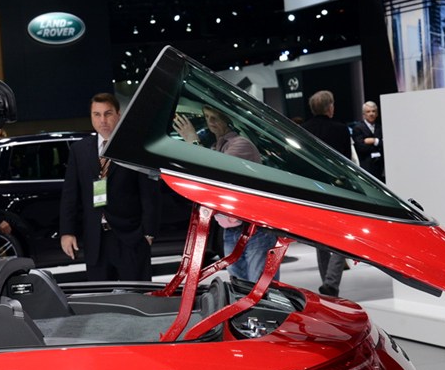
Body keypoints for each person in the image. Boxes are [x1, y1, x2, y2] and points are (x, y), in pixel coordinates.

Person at [59, 93, 161, 281]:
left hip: (131, 237)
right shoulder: (79, 150)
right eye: (97, 114)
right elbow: (70, 195)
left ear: (118, 115)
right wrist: (67, 232)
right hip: (95, 239)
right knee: (101, 295)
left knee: (137, 295)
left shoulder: (135, 148)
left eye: (108, 114)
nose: (102, 120)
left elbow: (149, 192)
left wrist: (149, 231)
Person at [172, 105, 279, 282]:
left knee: (260, 288)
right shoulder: (217, 148)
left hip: (254, 229)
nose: (211, 122)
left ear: (227, 119)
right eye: (207, 117)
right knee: (239, 287)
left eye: (215, 117)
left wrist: (193, 141)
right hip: (231, 229)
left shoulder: (241, 145)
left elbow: (214, 172)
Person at [302, 90, 351, 297]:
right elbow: (346, 162)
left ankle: (328, 284)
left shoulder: (303, 130)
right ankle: (331, 282)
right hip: (337, 188)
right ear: (329, 107)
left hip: (313, 189)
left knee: (320, 238)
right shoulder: (341, 129)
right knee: (342, 236)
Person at [351, 100, 385, 182]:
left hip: (381, 166)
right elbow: (361, 147)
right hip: (366, 166)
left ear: (377, 114)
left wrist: (374, 141)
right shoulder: (358, 128)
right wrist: (378, 143)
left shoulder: (381, 127)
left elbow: (385, 145)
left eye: (373, 111)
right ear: (364, 114)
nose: (371, 114)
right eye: (368, 111)